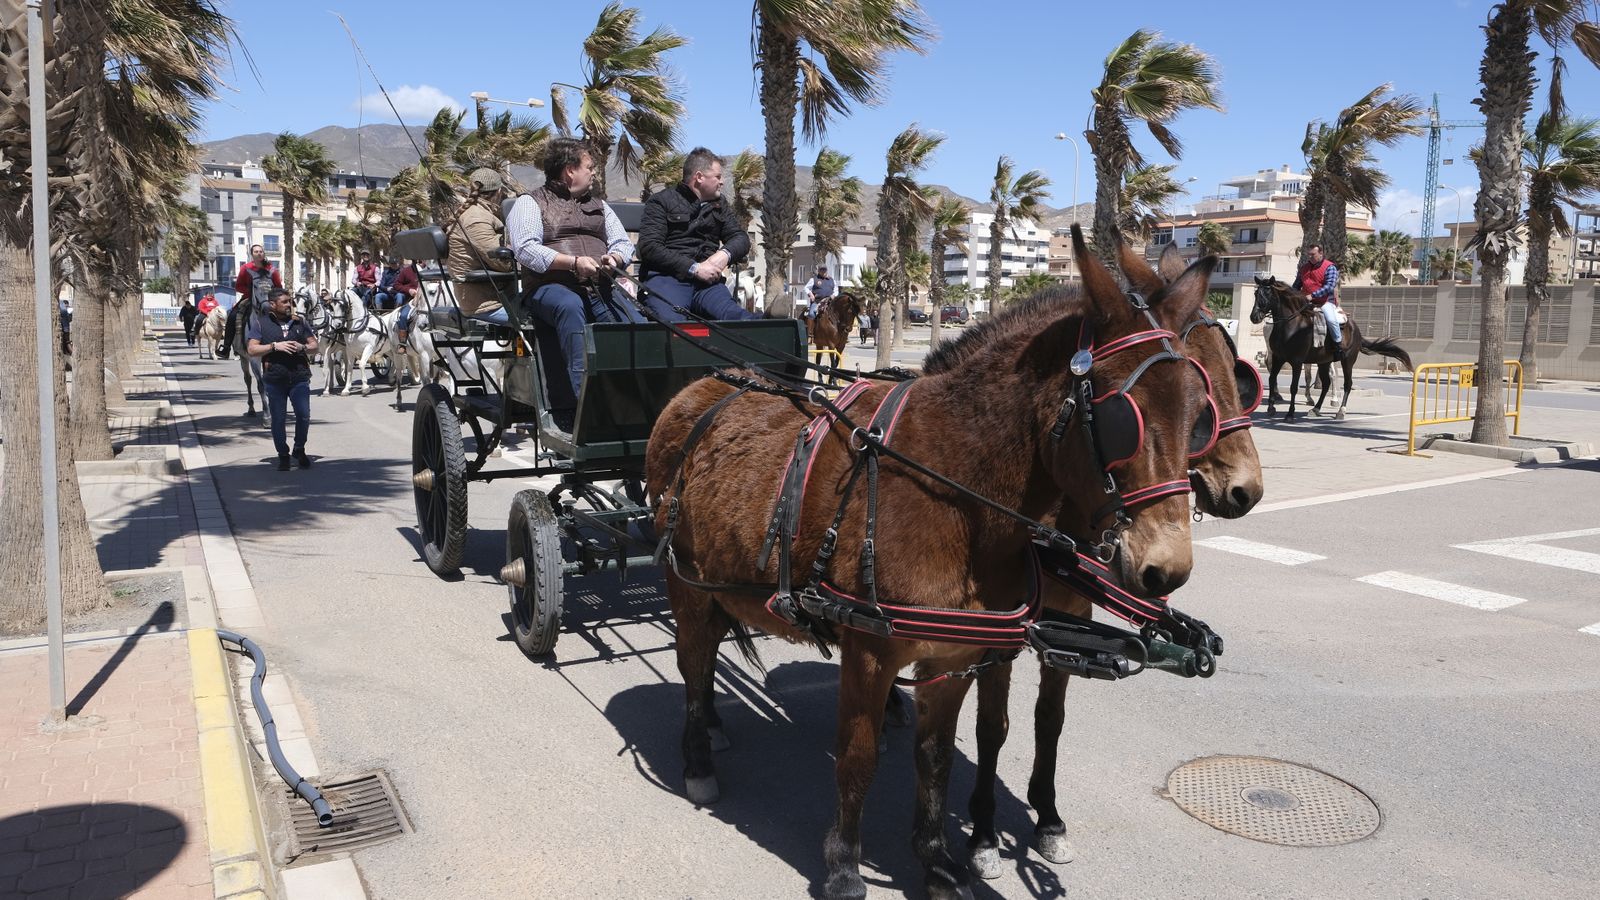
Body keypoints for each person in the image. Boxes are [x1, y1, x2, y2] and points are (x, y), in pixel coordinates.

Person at [505, 137, 645, 428]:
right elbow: (526, 249)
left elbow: (621, 242)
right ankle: (581, 404)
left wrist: (615, 258)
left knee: (638, 325)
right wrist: (573, 263)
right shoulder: (530, 203)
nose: (594, 172)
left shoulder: (600, 206)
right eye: (590, 167)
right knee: (569, 306)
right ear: (570, 170)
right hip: (549, 287)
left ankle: (639, 403)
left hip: (600, 285)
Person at [636, 147, 764, 323]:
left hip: (708, 286)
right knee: (672, 325)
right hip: (668, 279)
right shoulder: (661, 202)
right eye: (718, 177)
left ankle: (770, 321)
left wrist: (723, 255)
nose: (722, 182)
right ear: (699, 177)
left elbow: (740, 238)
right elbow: (649, 247)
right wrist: (695, 268)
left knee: (736, 319)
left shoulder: (719, 204)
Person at [247, 287, 318, 470]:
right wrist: (274, 346)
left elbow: (314, 346)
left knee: (304, 415)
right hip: (275, 379)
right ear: (272, 304)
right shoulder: (260, 323)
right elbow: (252, 349)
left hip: (299, 377)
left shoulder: (300, 322)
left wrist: (302, 347)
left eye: (290, 301)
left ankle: (299, 448)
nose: (289, 305)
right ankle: (283, 454)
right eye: (285, 302)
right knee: (278, 419)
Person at [446, 168, 515, 318]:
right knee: (552, 311)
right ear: (498, 192)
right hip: (488, 303)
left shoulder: (473, 213)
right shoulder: (476, 219)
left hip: (486, 297)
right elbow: (504, 263)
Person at [220, 244, 281, 358]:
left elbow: (278, 286)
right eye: (256, 251)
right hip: (249, 298)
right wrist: (252, 292)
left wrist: (274, 297)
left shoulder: (272, 269)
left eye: (261, 251)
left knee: (285, 313)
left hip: (269, 299)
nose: (259, 253)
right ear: (251, 254)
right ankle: (226, 347)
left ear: (264, 253)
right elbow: (238, 286)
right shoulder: (246, 268)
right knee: (232, 315)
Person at [1292, 243, 1342, 346]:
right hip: (1306, 301)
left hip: (1325, 302)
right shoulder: (1304, 268)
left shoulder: (1330, 267)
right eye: (1309, 254)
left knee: (1331, 320)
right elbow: (1297, 285)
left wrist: (1312, 295)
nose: (1310, 257)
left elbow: (1329, 286)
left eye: (1313, 254)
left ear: (1321, 253)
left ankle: (1338, 345)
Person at [390, 259, 420, 343]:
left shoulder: (428, 271)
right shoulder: (406, 271)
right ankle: (402, 342)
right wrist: (409, 290)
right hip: (410, 300)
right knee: (403, 316)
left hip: (427, 300)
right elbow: (396, 285)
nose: (419, 261)